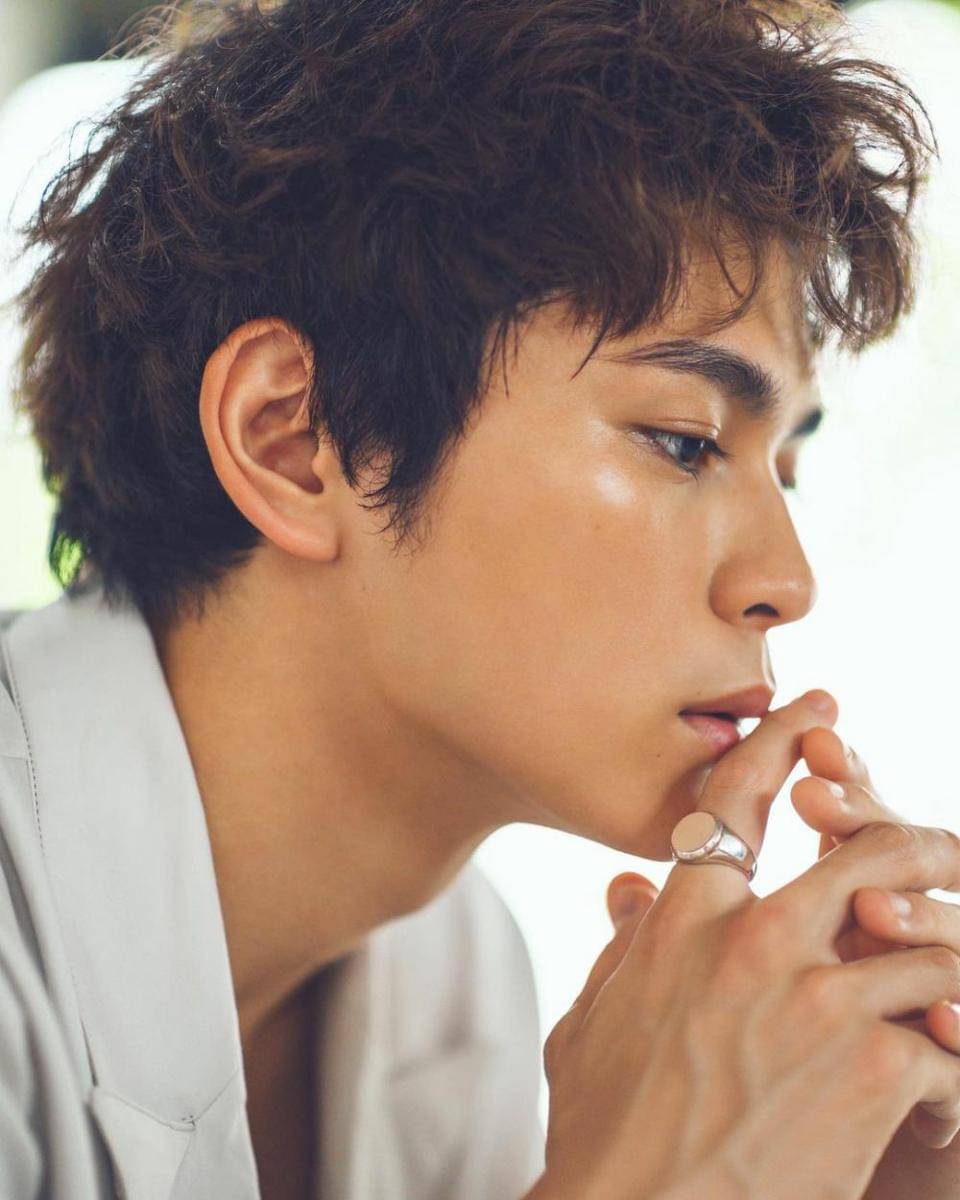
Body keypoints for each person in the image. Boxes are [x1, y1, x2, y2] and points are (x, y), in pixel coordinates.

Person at [2, 0, 957, 1197]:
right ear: (293, 437)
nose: (786, 583)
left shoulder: (456, 984)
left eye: (787, 469)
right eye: (684, 441)